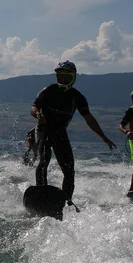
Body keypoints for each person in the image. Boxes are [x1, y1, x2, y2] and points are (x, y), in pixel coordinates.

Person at [30, 61, 116, 204]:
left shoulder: (77, 97)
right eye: (59, 75)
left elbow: (90, 120)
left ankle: (67, 201)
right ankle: (41, 193)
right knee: (44, 160)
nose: (62, 78)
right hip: (43, 129)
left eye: (66, 76)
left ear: (73, 77)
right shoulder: (47, 90)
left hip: (60, 132)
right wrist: (39, 115)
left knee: (69, 169)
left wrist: (103, 137)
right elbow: (33, 108)